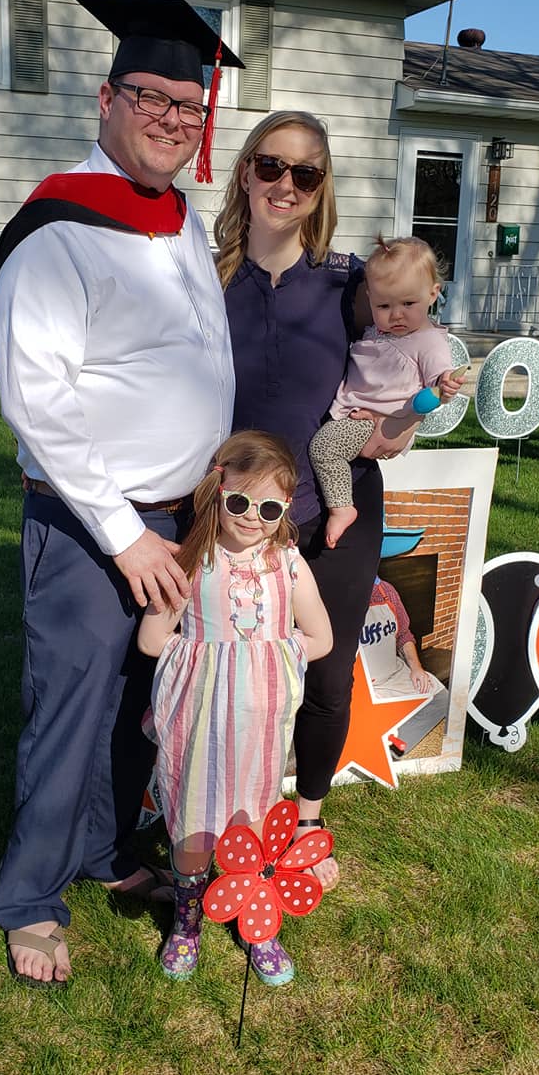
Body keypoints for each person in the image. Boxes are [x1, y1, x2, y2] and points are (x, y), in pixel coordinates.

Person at [0, 0, 244, 987]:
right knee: (72, 703)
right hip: (91, 518)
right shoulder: (60, 229)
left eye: (189, 107)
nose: (172, 119)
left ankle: (102, 848)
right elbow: (37, 397)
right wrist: (122, 534)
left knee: (140, 699)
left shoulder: (178, 218)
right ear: (107, 98)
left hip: (176, 516)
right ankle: (29, 898)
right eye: (151, 97)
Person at [215, 111, 422, 892]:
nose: (286, 184)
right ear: (246, 171)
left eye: (306, 173)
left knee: (327, 676)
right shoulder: (204, 280)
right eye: (272, 166)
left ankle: (307, 821)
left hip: (338, 506)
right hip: (241, 516)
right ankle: (225, 810)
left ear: (321, 186)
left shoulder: (349, 285)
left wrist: (400, 424)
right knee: (233, 670)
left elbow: (409, 355)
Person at [137, 431, 333, 985]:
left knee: (256, 817)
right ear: (217, 493)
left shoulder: (289, 566)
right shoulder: (190, 561)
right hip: (199, 722)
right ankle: (188, 920)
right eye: (240, 501)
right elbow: (153, 639)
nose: (252, 517)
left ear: (286, 508)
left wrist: (269, 656)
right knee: (194, 822)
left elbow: (320, 637)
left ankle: (258, 920)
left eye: (269, 508)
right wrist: (208, 660)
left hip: (260, 723)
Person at [309, 236, 462, 548]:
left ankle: (341, 508)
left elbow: (438, 374)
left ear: (433, 293)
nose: (396, 315)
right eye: (384, 306)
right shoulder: (381, 330)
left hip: (376, 420)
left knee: (324, 448)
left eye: (408, 304)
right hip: (357, 412)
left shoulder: (427, 341)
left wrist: (445, 383)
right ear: (370, 299)